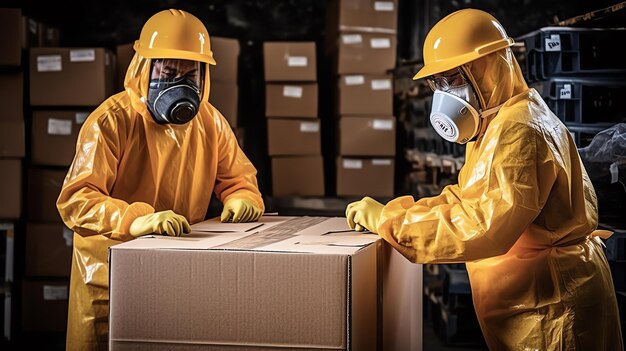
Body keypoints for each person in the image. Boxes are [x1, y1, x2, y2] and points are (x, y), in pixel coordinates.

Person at [345, 8, 623, 350]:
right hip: (537, 298)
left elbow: (482, 226)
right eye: (438, 82)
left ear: (489, 70)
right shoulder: (498, 122)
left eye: (455, 79)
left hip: (552, 309)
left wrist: (393, 224)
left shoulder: (519, 131)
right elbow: (470, 198)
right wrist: (401, 213)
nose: (445, 94)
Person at [56, 9, 264, 350]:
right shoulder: (111, 122)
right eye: (167, 72)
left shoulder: (210, 123)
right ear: (143, 69)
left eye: (189, 74)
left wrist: (242, 197)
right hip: (109, 276)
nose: (179, 86)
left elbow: (239, 177)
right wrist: (136, 220)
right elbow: (76, 199)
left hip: (179, 269)